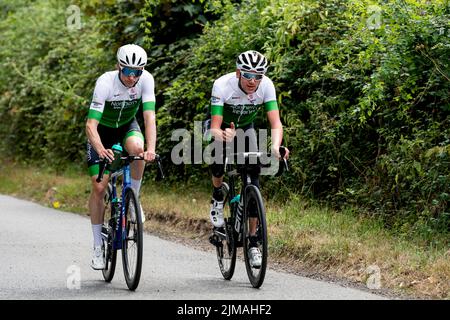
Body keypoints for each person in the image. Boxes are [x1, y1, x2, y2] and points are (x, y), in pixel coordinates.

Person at [208, 50, 290, 267]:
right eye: (248, 76)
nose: (253, 81)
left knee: (253, 180)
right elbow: (214, 127)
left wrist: (274, 147)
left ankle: (253, 242)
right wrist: (224, 135)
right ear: (238, 73)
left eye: (258, 76)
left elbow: (276, 123)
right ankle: (217, 196)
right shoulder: (222, 85)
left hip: (247, 128)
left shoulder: (266, 86)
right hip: (222, 127)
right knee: (218, 157)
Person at [85, 44, 157, 270]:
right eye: (127, 71)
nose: (132, 76)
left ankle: (134, 198)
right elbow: (91, 124)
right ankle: (98, 245)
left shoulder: (145, 80)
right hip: (103, 132)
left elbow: (149, 117)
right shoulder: (105, 82)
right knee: (98, 188)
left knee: (138, 149)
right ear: (118, 67)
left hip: (127, 126)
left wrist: (150, 149)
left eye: (138, 71)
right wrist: (99, 148)